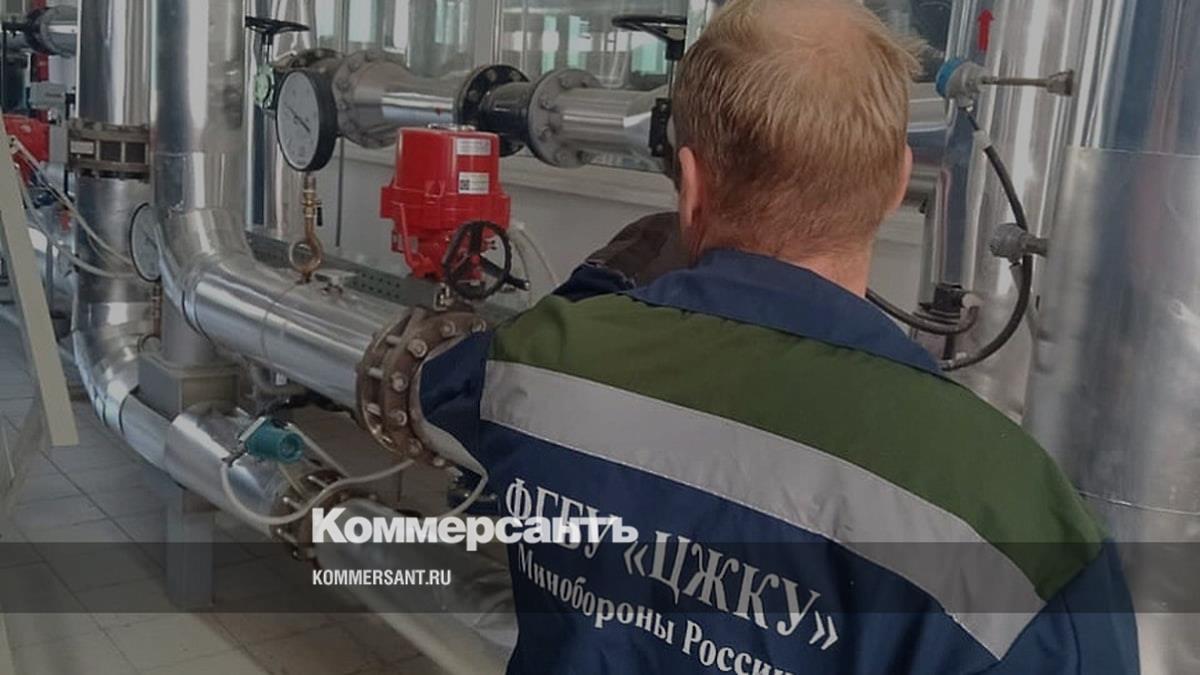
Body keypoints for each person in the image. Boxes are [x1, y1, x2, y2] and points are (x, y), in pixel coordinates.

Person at [417, 0, 1139, 672]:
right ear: (898, 182)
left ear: (690, 183)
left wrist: (597, 290)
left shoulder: (537, 362)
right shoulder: (1016, 525)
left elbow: (435, 385)